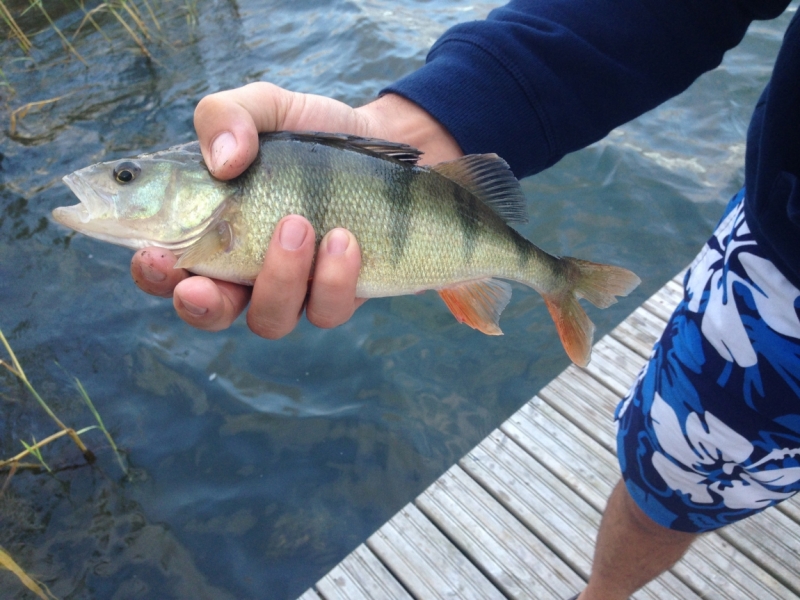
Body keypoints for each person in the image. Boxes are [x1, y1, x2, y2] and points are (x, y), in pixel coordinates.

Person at [130, 0, 800, 598]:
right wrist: (419, 121)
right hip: (779, 265)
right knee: (670, 481)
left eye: (128, 177)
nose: (119, 186)